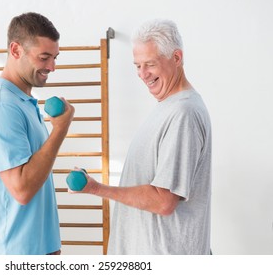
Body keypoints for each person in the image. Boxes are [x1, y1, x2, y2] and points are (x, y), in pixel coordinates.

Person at [75, 19, 212, 254]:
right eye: (137, 65)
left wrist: (97, 189)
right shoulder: (167, 107)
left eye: (150, 64)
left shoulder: (183, 113)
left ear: (176, 58)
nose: (142, 74)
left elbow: (163, 201)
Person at [0, 12, 74, 255]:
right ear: (16, 50)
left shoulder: (22, 103)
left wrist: (50, 248)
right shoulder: (2, 108)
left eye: (54, 58)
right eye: (44, 57)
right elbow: (22, 189)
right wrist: (60, 130)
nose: (52, 67)